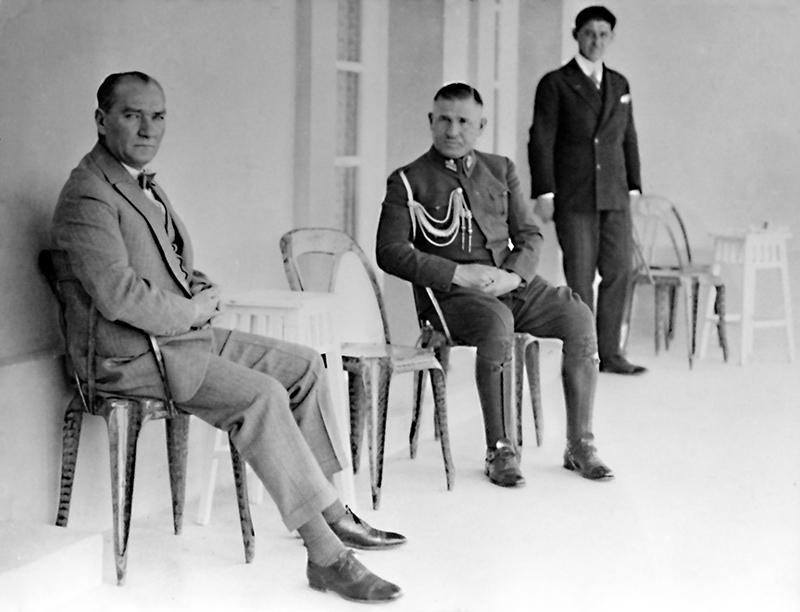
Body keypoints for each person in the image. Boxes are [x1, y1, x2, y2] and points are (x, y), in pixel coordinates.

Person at [51, 71, 404, 604]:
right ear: (101, 120)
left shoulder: (138, 181)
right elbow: (118, 295)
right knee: (261, 396)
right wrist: (192, 310)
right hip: (129, 358)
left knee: (304, 367)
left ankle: (331, 511)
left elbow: (162, 264)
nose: (148, 129)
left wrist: (199, 285)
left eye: (158, 116)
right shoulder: (88, 194)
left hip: (175, 340)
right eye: (132, 115)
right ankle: (326, 556)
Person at [376, 82, 613, 488]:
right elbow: (389, 251)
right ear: (430, 121)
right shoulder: (408, 181)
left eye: (463, 122)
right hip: (451, 298)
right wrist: (456, 273)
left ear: (481, 126)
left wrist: (514, 276)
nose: (453, 131)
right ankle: (501, 451)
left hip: (509, 283)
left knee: (578, 315)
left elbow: (530, 234)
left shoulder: (500, 169)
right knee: (497, 322)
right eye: (444, 120)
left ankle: (580, 444)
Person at [528, 5, 646, 375]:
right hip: (574, 194)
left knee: (619, 271)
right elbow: (541, 140)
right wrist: (545, 193)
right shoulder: (555, 83)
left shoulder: (619, 83)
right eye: (589, 33)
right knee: (580, 277)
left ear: (612, 38)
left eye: (603, 34)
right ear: (576, 35)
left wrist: (634, 188)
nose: (596, 41)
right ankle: (585, 354)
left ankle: (611, 354)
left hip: (614, 193)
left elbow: (627, 138)